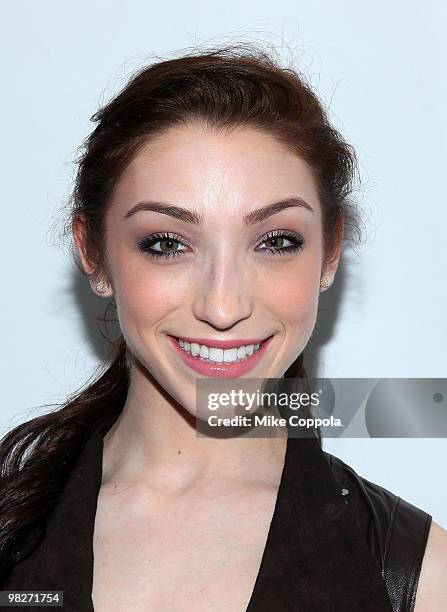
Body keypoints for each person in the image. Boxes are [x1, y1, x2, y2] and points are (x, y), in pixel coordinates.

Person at [0, 44, 446, 611]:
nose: (222, 304)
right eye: (166, 244)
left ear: (329, 254)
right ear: (93, 254)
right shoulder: (11, 519)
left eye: (276, 241)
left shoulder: (419, 576)